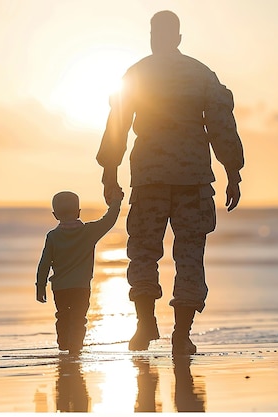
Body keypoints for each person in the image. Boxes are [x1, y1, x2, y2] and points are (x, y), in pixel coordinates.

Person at [96, 10, 245, 355]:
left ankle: (144, 323)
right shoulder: (201, 74)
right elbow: (221, 127)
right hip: (193, 180)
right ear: (177, 38)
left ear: (153, 36)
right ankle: (182, 334)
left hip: (149, 177)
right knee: (190, 256)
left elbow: (116, 125)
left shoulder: (137, 74)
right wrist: (233, 171)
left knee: (143, 252)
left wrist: (109, 173)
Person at [36, 189, 124, 355]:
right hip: (81, 287)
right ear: (78, 212)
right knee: (78, 318)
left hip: (60, 287)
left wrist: (40, 286)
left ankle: (63, 343)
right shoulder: (88, 232)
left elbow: (44, 263)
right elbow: (109, 220)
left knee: (62, 315)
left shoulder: (53, 236)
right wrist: (116, 202)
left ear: (55, 215)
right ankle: (75, 346)